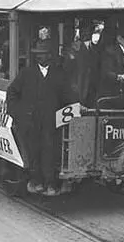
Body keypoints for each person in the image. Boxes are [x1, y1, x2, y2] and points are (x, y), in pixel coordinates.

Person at [6, 43, 77, 196]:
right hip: (31, 122)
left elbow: (68, 96)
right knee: (33, 152)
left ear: (49, 56)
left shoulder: (59, 74)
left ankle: (50, 184)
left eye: (43, 53)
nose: (39, 56)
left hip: (51, 123)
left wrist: (77, 106)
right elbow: (12, 93)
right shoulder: (26, 73)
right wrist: (18, 113)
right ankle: (36, 181)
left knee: (49, 152)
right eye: (37, 53)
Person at [98, 24, 124, 109]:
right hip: (111, 96)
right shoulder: (110, 51)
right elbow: (105, 72)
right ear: (119, 39)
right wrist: (118, 77)